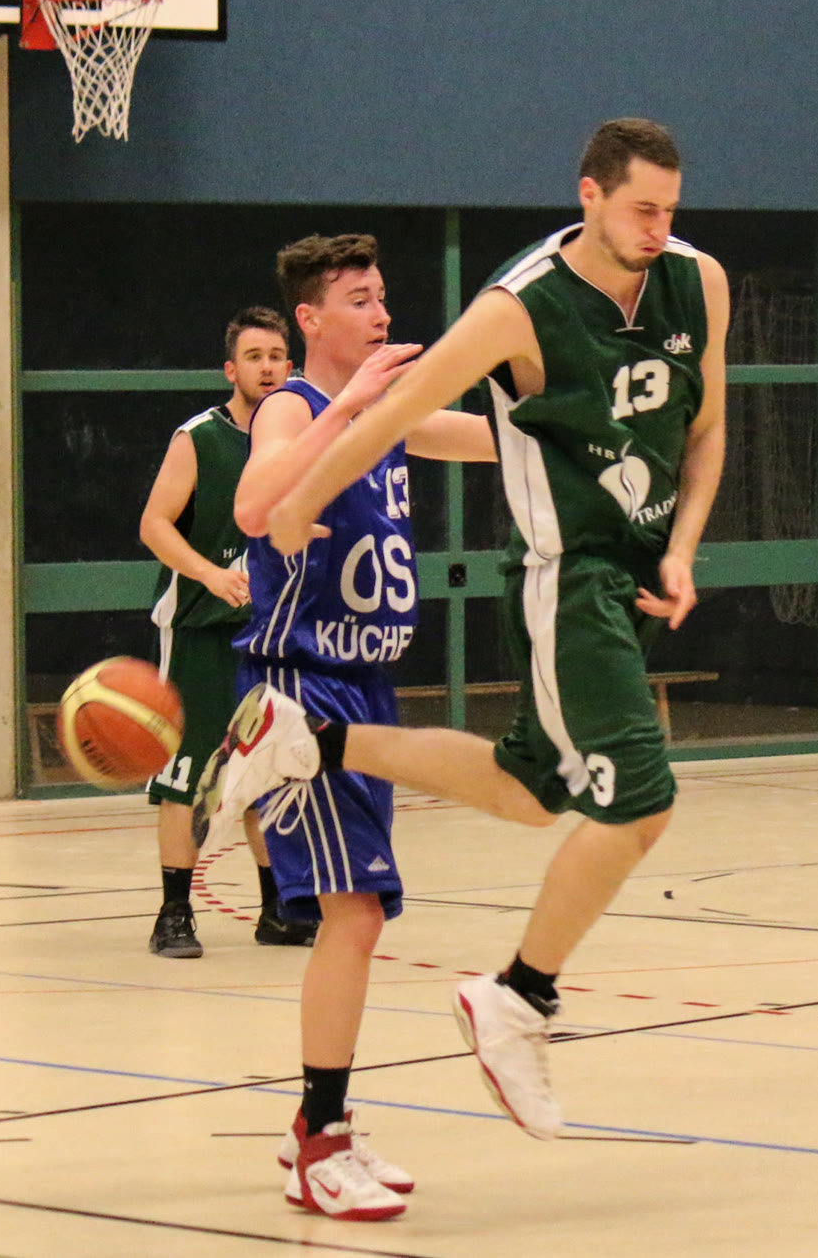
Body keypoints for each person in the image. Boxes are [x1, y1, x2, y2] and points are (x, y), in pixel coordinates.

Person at [193, 118, 728, 1151]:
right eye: (639, 209)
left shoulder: (695, 282)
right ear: (589, 195)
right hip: (535, 591)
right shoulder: (497, 314)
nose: (658, 228)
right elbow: (368, 434)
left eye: (670, 210)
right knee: (638, 802)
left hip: (564, 600)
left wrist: (677, 539)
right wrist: (298, 497)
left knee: (528, 794)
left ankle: (310, 743)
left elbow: (690, 426)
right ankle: (509, 1002)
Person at [206, 234, 497, 1220]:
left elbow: (488, 437)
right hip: (303, 692)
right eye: (360, 299)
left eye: (382, 298)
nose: (381, 314)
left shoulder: (382, 414)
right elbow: (255, 504)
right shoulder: (293, 407)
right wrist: (356, 402)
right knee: (354, 916)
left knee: (358, 916)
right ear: (311, 319)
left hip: (365, 687)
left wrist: (581, 427)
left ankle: (321, 1125)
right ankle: (318, 1137)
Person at [138, 308, 314, 955]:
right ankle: (174, 913)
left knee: (269, 771)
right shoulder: (199, 438)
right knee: (186, 774)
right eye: (254, 356)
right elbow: (154, 524)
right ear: (230, 370)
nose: (267, 367)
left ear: (291, 367)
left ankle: (279, 910)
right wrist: (211, 574)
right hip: (200, 629)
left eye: (276, 356)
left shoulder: (303, 441)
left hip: (271, 635)